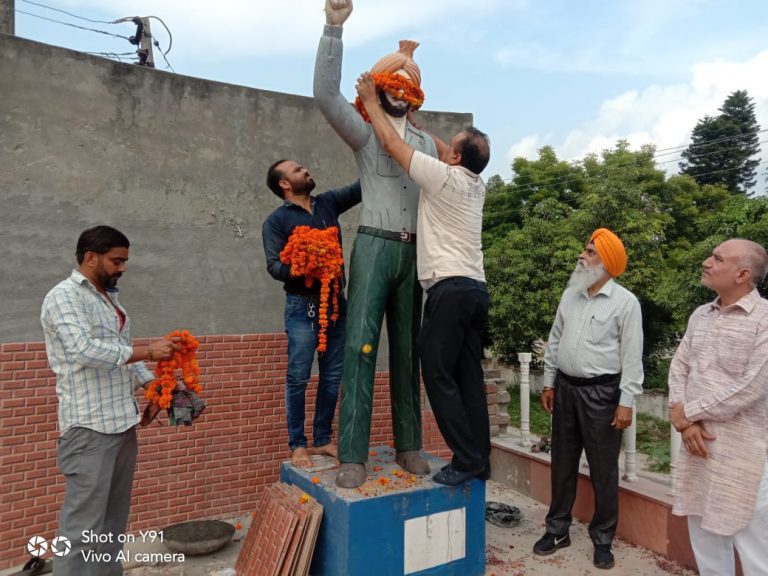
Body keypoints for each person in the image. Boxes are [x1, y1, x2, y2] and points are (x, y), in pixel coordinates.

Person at [315, 0, 438, 488]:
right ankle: (353, 453)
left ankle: (409, 444)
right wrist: (333, 30)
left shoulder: (427, 147)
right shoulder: (367, 134)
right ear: (381, 87)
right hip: (373, 247)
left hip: (415, 254)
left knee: (409, 352)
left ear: (417, 94)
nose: (402, 93)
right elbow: (326, 96)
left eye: (411, 84)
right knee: (361, 347)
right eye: (395, 83)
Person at [356, 73, 492, 486]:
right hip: (476, 290)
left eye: (450, 145)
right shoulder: (476, 184)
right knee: (469, 377)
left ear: (453, 158)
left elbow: (393, 146)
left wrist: (373, 105)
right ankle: (480, 461)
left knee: (435, 373)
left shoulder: (441, 177)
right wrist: (416, 123)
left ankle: (465, 459)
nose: (444, 146)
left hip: (448, 289)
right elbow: (427, 143)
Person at [41, 225, 179, 576]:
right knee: (81, 529)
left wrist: (156, 389)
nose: (122, 268)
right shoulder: (64, 296)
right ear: (90, 257)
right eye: (116, 261)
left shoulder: (110, 300)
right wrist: (148, 350)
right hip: (89, 429)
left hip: (122, 424)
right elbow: (85, 351)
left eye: (125, 261)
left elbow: (122, 360)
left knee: (112, 525)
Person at [533, 228, 644, 570]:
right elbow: (555, 340)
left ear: (608, 263)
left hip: (603, 395)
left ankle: (603, 538)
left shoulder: (626, 303)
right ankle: (557, 530)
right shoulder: (570, 296)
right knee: (562, 464)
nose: (583, 256)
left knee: (603, 470)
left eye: (591, 252)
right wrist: (549, 382)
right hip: (565, 389)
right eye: (585, 250)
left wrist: (626, 402)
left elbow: (631, 357)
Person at [668, 238, 768, 576]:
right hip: (699, 446)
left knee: (754, 547)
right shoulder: (701, 315)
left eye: (717, 258)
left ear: (742, 274)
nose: (707, 262)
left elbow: (754, 385)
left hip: (745, 456)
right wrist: (685, 422)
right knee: (705, 539)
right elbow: (679, 366)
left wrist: (689, 413)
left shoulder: (764, 319)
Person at [262, 160, 361, 467]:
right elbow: (273, 266)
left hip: (334, 304)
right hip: (301, 306)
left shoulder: (328, 203)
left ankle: (321, 439)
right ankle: (298, 444)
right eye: (297, 169)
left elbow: (363, 186)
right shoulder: (276, 221)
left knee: (332, 376)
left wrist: (383, 148)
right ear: (284, 184)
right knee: (298, 378)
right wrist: (303, 267)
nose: (305, 170)